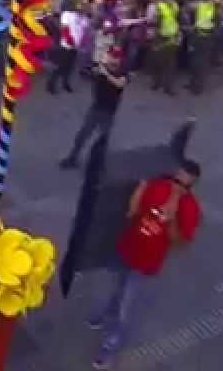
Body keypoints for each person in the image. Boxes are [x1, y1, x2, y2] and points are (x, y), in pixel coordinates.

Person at [89, 159, 202, 369]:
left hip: (146, 264)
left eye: (183, 185)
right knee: (115, 289)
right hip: (128, 249)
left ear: (190, 188)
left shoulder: (191, 209)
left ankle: (110, 346)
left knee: (127, 308)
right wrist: (141, 188)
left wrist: (172, 216)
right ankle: (106, 313)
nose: (176, 187)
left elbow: (179, 243)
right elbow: (132, 212)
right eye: (175, 180)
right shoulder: (157, 186)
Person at [60, 46, 128, 169]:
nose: (112, 59)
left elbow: (120, 83)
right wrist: (94, 69)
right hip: (96, 107)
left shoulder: (122, 72)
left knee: (102, 140)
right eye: (110, 56)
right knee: (82, 135)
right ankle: (72, 158)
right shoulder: (102, 67)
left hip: (109, 112)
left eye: (115, 57)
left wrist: (105, 72)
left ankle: (99, 164)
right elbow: (89, 72)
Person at [48, 0, 86, 94]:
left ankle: (65, 83)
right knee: (60, 66)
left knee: (70, 67)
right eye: (80, 4)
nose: (82, 6)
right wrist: (70, 41)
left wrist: (80, 43)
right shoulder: (67, 14)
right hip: (66, 46)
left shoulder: (81, 16)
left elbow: (82, 30)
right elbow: (65, 29)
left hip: (75, 46)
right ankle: (51, 84)